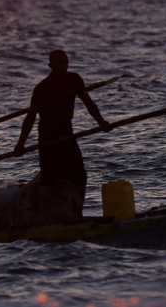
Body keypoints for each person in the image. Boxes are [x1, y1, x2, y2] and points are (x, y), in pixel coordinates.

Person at [12, 49, 111, 216]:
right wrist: (20, 144)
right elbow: (30, 117)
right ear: (50, 65)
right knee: (48, 181)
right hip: (47, 137)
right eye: (60, 63)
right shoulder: (42, 88)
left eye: (66, 62)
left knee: (79, 176)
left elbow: (88, 103)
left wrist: (101, 122)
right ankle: (44, 218)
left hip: (67, 134)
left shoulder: (74, 80)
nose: (64, 66)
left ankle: (77, 213)